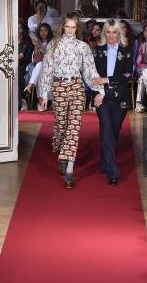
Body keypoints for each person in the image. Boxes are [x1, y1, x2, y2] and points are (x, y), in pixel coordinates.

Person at [37, 13, 105, 188]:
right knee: (61, 124)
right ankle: (60, 148)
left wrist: (100, 90)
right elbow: (46, 71)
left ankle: (69, 170)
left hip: (76, 86)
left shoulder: (83, 47)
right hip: (59, 87)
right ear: (62, 27)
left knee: (74, 126)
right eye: (67, 27)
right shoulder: (53, 45)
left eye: (73, 27)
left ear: (77, 28)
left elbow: (90, 70)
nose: (70, 30)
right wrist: (44, 94)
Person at [91, 19, 134, 185]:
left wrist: (107, 80)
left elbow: (128, 75)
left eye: (114, 32)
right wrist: (98, 92)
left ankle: (103, 161)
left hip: (120, 98)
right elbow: (93, 75)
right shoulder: (98, 51)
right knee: (107, 129)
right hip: (102, 97)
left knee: (112, 133)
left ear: (119, 33)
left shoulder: (127, 50)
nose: (111, 35)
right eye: (107, 32)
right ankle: (113, 170)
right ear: (104, 33)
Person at [24, 22, 54, 110]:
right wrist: (36, 47)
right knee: (40, 66)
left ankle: (31, 86)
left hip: (51, 68)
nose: (43, 32)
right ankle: (42, 101)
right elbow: (35, 60)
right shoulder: (36, 43)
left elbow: (51, 58)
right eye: (41, 30)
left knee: (42, 67)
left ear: (49, 32)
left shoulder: (53, 42)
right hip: (39, 69)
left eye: (45, 30)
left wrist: (43, 51)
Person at [18, 22, 34, 111]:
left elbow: (29, 58)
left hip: (23, 66)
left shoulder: (27, 41)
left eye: (19, 28)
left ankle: (23, 100)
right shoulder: (9, 40)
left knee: (19, 74)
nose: (18, 30)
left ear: (22, 29)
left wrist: (21, 58)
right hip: (10, 64)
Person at [135, 25, 147, 113]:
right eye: (146, 30)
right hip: (143, 68)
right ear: (144, 33)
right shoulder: (143, 45)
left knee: (142, 79)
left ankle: (138, 103)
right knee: (145, 75)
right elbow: (139, 62)